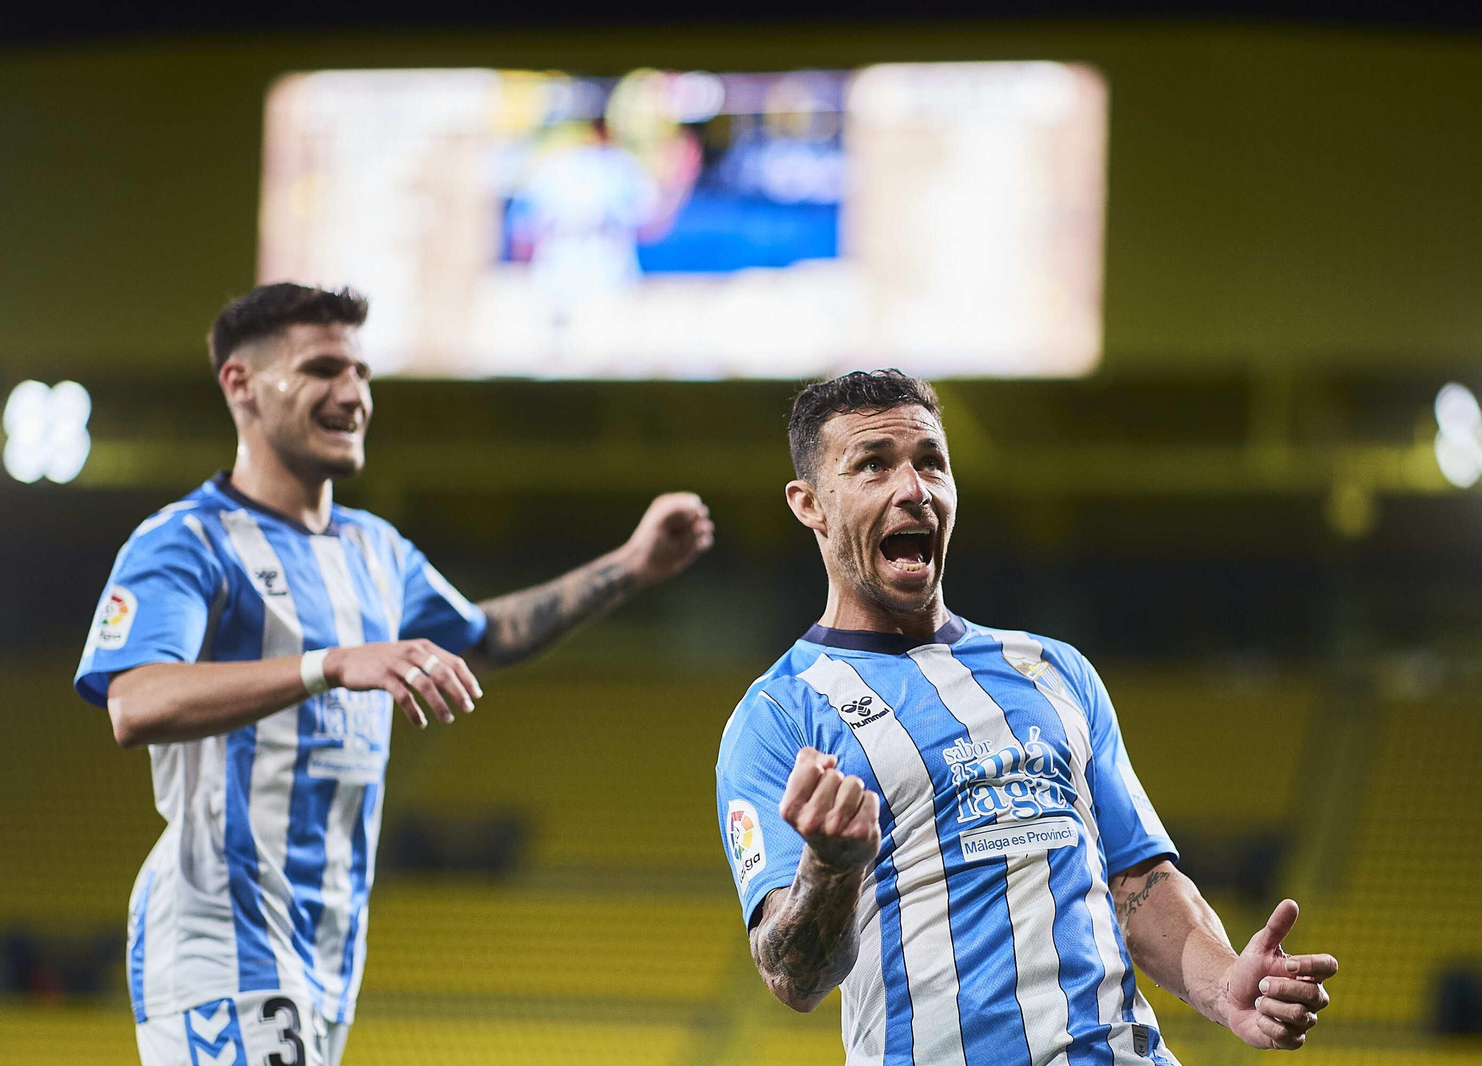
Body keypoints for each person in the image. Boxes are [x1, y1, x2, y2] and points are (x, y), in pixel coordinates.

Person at [74, 283, 714, 1066]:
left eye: (363, 374)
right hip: (221, 932)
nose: (353, 395)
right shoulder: (185, 542)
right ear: (239, 384)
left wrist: (632, 565)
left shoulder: (376, 549)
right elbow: (134, 702)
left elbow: (488, 635)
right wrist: (331, 664)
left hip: (329, 946)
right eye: (321, 369)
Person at [715, 370, 1336, 1065]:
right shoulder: (778, 716)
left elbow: (1138, 881)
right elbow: (791, 977)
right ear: (811, 505)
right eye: (872, 466)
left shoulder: (1054, 669)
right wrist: (831, 868)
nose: (912, 488)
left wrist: (1225, 984)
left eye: (930, 463)